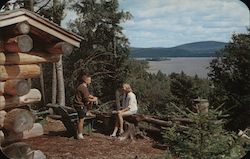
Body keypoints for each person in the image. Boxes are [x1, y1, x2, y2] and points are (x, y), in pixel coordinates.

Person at [74, 72, 98, 139]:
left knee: (81, 119)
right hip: (80, 105)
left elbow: (87, 95)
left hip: (78, 105)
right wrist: (95, 99)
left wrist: (92, 97)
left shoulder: (81, 86)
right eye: (89, 79)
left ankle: (87, 112)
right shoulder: (83, 88)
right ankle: (80, 135)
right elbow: (86, 99)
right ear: (85, 80)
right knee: (81, 120)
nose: (90, 80)